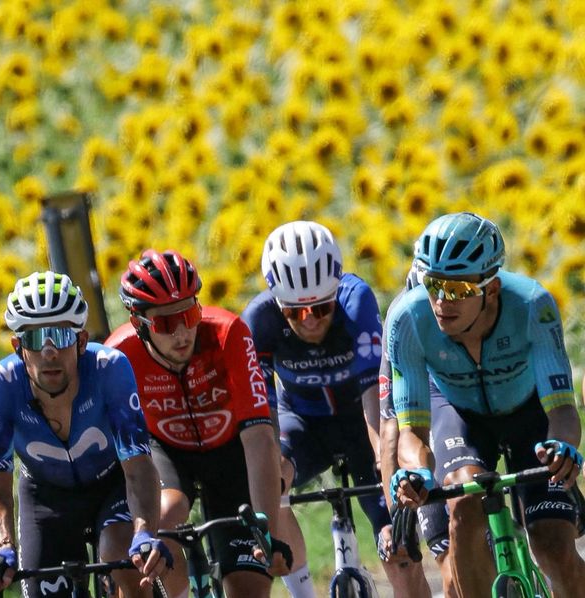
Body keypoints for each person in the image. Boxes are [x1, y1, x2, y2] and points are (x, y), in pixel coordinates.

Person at [388, 212, 585, 597]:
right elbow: (412, 431)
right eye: (434, 284)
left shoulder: (532, 306)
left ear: (491, 289)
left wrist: (564, 448)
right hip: (457, 413)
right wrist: (416, 472)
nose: (442, 301)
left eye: (459, 289)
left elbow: (561, 410)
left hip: (528, 410)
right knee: (463, 499)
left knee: (552, 546)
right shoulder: (408, 319)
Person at [241, 221, 428, 598]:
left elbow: (374, 399)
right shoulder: (259, 318)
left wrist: (384, 468)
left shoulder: (355, 301)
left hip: (360, 423)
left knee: (399, 552)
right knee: (271, 477)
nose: (310, 320)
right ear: (278, 303)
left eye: (321, 307)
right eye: (295, 313)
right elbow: (263, 421)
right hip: (302, 424)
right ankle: (302, 592)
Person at [104, 249, 292, 597]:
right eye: (165, 323)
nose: (181, 332)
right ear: (138, 322)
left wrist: (267, 530)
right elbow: (122, 454)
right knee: (166, 515)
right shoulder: (119, 355)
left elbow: (260, 438)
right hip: (168, 453)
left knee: (248, 591)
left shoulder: (229, 332)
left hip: (231, 451)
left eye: (188, 314)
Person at [0, 271, 170, 597]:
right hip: (45, 497)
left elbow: (138, 468)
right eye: (37, 339)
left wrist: (144, 534)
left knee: (123, 556)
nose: (49, 353)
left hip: (113, 486)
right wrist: (3, 546)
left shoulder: (110, 369)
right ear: (18, 347)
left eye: (61, 337)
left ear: (81, 341)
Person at [377, 262, 447, 598]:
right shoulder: (401, 321)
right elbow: (391, 426)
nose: (442, 312)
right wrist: (397, 514)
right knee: (449, 552)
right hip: (425, 414)